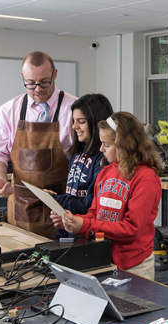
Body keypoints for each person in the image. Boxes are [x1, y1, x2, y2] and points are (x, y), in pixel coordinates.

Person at [51, 112, 162, 280]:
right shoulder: (106, 172)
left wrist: (84, 225)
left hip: (134, 265)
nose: (101, 149)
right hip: (104, 258)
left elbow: (131, 228)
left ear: (125, 145)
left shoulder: (146, 179)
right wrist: (73, 221)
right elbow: (95, 214)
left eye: (106, 145)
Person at [0, 51, 78, 239]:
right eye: (30, 83)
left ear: (55, 74)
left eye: (44, 82)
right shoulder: (9, 110)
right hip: (21, 209)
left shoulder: (74, 108)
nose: (38, 89)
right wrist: (0, 177)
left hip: (62, 208)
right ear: (22, 77)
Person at [46, 94, 113, 239]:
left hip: (89, 236)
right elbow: (72, 195)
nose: (74, 126)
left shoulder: (104, 160)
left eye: (81, 121)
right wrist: (62, 229)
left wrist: (56, 199)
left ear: (97, 123)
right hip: (72, 234)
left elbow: (93, 202)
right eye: (73, 121)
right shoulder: (76, 153)